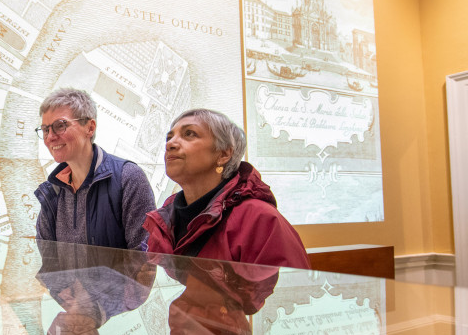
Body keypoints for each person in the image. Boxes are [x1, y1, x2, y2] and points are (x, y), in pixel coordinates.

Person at [144, 108, 310, 269]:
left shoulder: (262, 220)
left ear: (223, 155)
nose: (170, 144)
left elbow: (294, 293)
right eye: (169, 137)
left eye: (189, 134)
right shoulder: (163, 220)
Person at [34, 88, 155, 250]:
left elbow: (144, 264)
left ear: (90, 128)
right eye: (45, 130)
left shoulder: (128, 178)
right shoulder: (52, 191)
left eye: (59, 126)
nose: (50, 137)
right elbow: (49, 262)